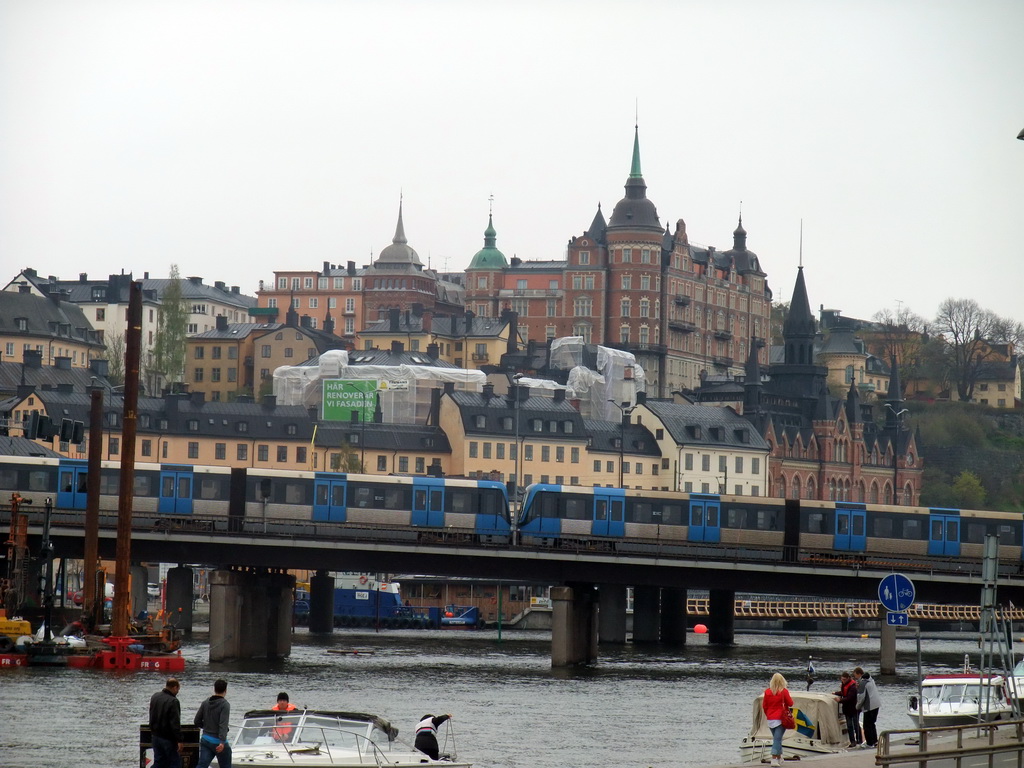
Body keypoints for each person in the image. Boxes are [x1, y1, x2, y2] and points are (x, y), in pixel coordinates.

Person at [194, 679, 231, 768]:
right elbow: (223, 724)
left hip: (206, 739)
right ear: (225, 690)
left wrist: (206, 727)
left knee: (202, 765)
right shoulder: (225, 704)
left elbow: (196, 721)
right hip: (219, 742)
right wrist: (222, 742)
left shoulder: (205, 702)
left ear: (214, 689)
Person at [149, 677, 183, 768]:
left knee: (159, 762)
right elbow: (175, 723)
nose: (178, 692)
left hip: (155, 736)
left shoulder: (155, 696)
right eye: (178, 689)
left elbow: (151, 714)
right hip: (168, 738)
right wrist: (179, 740)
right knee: (175, 763)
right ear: (175, 687)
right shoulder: (173, 701)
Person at [762, 673, 793, 768]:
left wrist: (768, 714)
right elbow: (791, 703)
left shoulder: (767, 692)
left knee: (776, 738)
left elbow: (764, 706)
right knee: (777, 739)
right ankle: (774, 758)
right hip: (781, 718)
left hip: (771, 719)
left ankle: (779, 757)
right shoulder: (784, 691)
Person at [854, 667, 880, 748]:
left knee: (867, 725)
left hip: (869, 706)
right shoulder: (871, 680)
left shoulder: (863, 683)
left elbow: (861, 696)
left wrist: (857, 707)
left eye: (855, 675)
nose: (855, 677)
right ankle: (875, 741)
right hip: (876, 704)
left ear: (859, 674)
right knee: (872, 724)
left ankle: (869, 743)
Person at [834, 671, 861, 748]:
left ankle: (859, 740)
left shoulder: (853, 686)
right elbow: (843, 693)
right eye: (842, 679)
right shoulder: (844, 685)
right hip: (847, 709)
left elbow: (849, 697)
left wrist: (840, 700)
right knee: (849, 725)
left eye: (844, 679)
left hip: (854, 708)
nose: (843, 681)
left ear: (848, 678)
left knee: (855, 725)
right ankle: (852, 741)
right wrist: (836, 693)